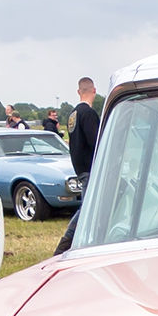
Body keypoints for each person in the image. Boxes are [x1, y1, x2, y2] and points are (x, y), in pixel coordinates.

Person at [54, 77, 102, 255]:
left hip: (80, 168)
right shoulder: (88, 114)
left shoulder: (73, 114)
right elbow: (97, 143)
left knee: (87, 207)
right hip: (91, 169)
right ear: (94, 91)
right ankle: (65, 244)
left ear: (78, 92)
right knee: (87, 209)